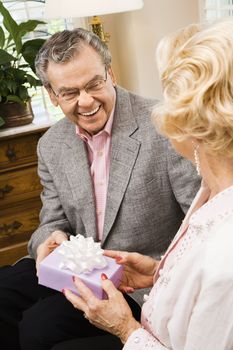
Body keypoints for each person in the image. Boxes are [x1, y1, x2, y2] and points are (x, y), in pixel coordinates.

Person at [0, 28, 199, 350]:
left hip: (140, 278)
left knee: (39, 327)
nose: (86, 101)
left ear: (110, 73)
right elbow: (50, 222)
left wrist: (160, 268)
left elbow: (202, 225)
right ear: (52, 94)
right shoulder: (52, 144)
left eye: (94, 84)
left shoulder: (165, 127)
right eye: (70, 92)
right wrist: (46, 243)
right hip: (75, 266)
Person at [60, 20, 233, 349]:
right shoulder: (214, 189)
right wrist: (158, 272)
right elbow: (200, 290)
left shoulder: (228, 258)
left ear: (193, 122)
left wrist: (124, 327)